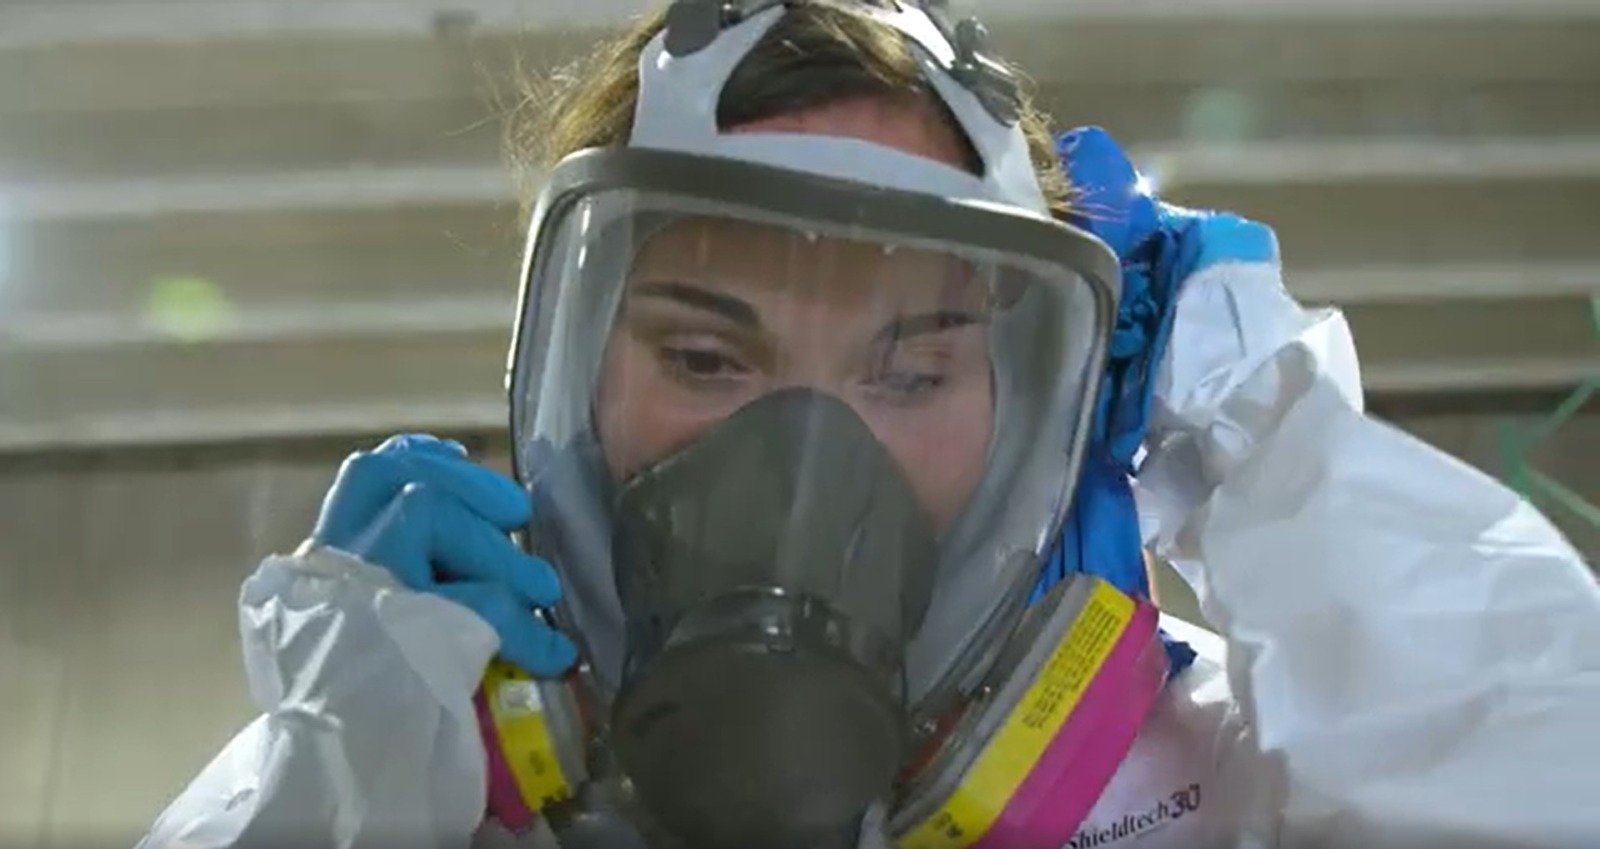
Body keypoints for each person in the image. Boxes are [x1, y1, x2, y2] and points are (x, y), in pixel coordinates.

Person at [137, 2, 1600, 848]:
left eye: (909, 373)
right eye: (706, 355)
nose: (804, 467)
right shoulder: (395, 772)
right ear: (568, 381)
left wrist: (1277, 449)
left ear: (1042, 411)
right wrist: (336, 773)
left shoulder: (1228, 778)